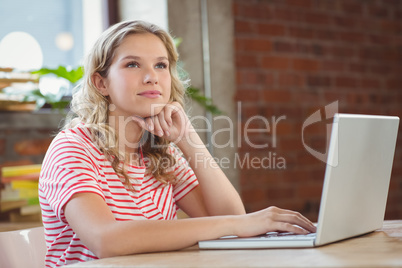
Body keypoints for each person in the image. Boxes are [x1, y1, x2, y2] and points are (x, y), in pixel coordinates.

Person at [39, 20, 316, 267]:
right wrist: (239, 223)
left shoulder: (161, 154)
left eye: (160, 65)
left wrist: (188, 139)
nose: (152, 77)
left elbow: (232, 219)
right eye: (132, 64)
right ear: (101, 83)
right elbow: (107, 241)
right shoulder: (73, 147)